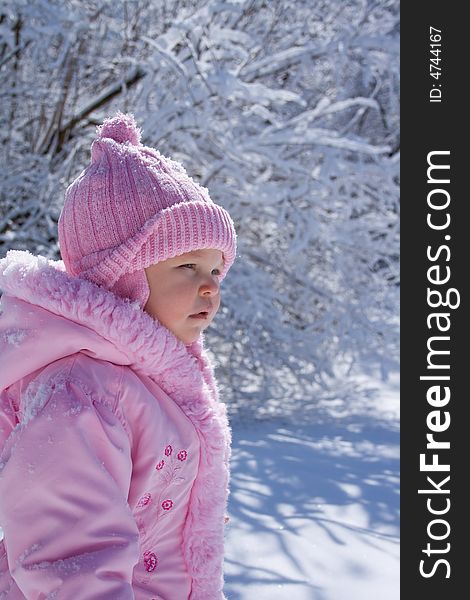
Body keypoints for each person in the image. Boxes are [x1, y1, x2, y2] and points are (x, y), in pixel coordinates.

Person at [0, 112, 237, 599]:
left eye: (217, 268)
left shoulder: (155, 385)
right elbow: (72, 557)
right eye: (187, 266)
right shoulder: (81, 389)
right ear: (122, 275)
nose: (210, 286)